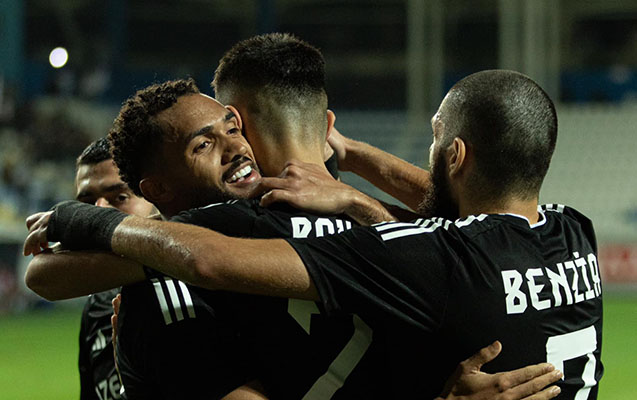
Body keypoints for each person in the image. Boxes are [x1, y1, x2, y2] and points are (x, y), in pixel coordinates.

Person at [25, 64, 565, 399]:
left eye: (234, 127)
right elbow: (467, 211)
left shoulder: (275, 222)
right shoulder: (169, 293)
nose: (235, 147)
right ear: (159, 189)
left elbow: (466, 211)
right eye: (203, 145)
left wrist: (357, 190)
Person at [73, 138, 155, 400]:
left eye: (119, 197)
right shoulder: (96, 306)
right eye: (87, 204)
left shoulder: (197, 289)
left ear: (155, 195)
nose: (97, 213)